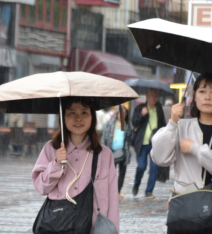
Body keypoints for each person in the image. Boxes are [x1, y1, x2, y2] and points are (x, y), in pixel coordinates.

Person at [32, 97, 119, 232]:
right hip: (58, 226)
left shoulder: (104, 155)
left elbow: (112, 199)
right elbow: (41, 188)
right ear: (63, 117)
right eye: (72, 113)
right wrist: (55, 165)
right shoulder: (50, 149)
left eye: (84, 113)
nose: (78, 118)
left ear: (92, 117)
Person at [151, 73, 212, 234]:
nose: (208, 97)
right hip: (186, 210)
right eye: (202, 91)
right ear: (194, 97)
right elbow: (159, 157)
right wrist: (172, 123)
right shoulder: (182, 127)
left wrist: (195, 149)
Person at [131, 88, 166, 199]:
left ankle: (148, 192)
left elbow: (163, 124)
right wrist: (141, 114)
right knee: (141, 166)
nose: (154, 98)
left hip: (155, 144)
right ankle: (136, 184)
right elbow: (134, 122)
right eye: (152, 95)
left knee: (154, 167)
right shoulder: (140, 108)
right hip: (142, 143)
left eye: (156, 96)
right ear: (146, 96)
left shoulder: (159, 108)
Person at [101, 105, 134, 199]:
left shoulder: (127, 126)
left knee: (122, 173)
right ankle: (111, 191)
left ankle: (118, 191)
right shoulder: (109, 124)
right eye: (120, 113)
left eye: (124, 113)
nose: (122, 115)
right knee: (111, 173)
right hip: (111, 153)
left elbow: (131, 138)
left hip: (123, 153)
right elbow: (104, 138)